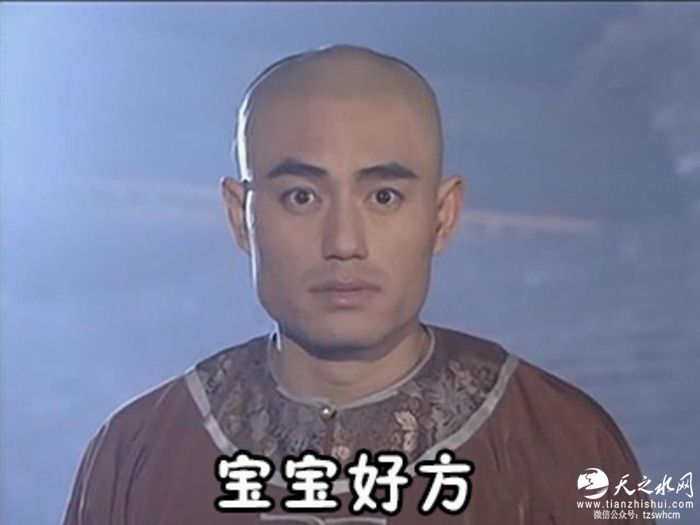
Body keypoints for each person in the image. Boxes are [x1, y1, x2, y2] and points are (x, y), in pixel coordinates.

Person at [64, 45, 653, 524]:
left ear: (442, 216)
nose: (344, 242)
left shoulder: (562, 443)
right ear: (241, 217)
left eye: (384, 197)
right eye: (302, 197)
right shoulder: (139, 452)